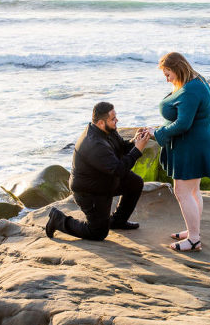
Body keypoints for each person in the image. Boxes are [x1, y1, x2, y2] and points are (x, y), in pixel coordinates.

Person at [45, 102, 150, 241]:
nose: (116, 120)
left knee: (135, 183)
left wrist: (135, 141)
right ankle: (57, 219)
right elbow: (118, 170)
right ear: (101, 122)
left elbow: (122, 148)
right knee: (98, 233)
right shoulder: (94, 143)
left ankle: (118, 221)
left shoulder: (107, 131)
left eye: (115, 117)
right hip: (89, 192)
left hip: (104, 182)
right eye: (113, 119)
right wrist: (138, 150)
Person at [153, 52, 210, 252]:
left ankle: (194, 239)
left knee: (182, 192)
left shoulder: (191, 90)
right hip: (196, 143)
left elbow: (183, 124)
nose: (166, 78)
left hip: (191, 147)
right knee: (193, 191)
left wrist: (158, 133)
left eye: (168, 73)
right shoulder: (196, 81)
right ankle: (193, 230)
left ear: (178, 68)